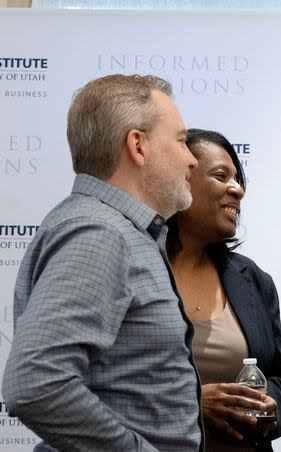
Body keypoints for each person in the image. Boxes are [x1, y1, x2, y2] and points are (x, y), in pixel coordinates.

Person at [2, 74, 203, 451]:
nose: (192, 159)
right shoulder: (100, 234)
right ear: (137, 145)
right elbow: (34, 384)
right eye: (180, 141)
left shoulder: (122, 232)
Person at [166, 128, 281, 452]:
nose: (238, 190)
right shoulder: (135, 270)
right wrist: (191, 405)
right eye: (220, 175)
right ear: (180, 182)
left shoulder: (253, 280)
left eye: (238, 179)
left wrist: (270, 404)